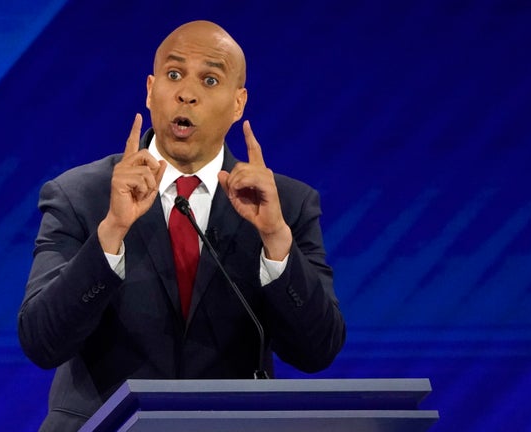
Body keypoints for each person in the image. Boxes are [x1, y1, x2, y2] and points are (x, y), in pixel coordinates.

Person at [18, 20, 345, 432]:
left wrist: (276, 242)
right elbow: (42, 341)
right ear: (151, 90)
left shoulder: (284, 206)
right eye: (174, 75)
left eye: (210, 79)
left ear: (239, 103)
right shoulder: (79, 195)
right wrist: (110, 234)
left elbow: (317, 351)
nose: (186, 93)